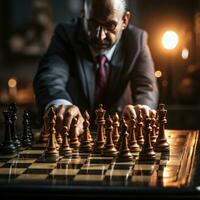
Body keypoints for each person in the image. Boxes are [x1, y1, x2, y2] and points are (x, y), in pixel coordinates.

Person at [33, 0, 159, 134]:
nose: (100, 36)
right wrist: (60, 106)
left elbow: (146, 86)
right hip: (72, 132)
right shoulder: (65, 34)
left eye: (110, 25)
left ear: (125, 20)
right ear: (83, 16)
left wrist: (143, 109)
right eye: (92, 24)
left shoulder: (137, 40)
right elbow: (50, 76)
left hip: (118, 134)